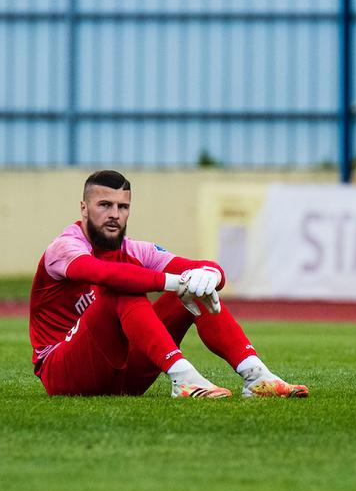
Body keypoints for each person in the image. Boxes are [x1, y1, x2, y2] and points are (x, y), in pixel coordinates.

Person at [29, 169, 308, 399]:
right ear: (84, 208)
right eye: (104, 205)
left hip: (123, 375)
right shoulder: (65, 247)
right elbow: (103, 274)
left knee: (198, 287)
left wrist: (210, 276)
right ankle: (183, 378)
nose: (114, 214)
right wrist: (176, 282)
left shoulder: (136, 250)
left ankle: (257, 377)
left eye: (122, 206)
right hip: (64, 373)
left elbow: (206, 268)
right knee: (125, 287)